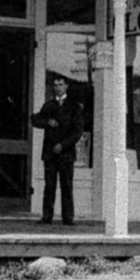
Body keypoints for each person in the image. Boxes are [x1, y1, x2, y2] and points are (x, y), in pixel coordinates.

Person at [31, 77, 85, 225]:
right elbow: (35, 120)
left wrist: (63, 144)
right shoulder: (49, 105)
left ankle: (68, 218)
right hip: (49, 152)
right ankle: (47, 216)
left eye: (60, 85)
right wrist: (47, 122)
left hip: (66, 153)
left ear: (66, 86)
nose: (57, 88)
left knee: (66, 185)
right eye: (55, 85)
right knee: (49, 185)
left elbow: (77, 131)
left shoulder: (74, 107)